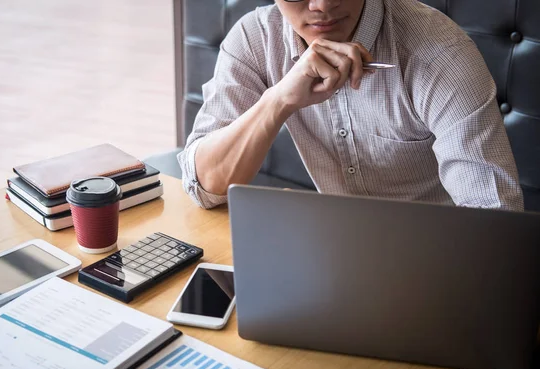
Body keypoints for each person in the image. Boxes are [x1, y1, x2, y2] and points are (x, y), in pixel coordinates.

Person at [177, 0, 524, 211]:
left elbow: (492, 213)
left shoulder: (439, 53)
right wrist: (278, 100)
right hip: (336, 251)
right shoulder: (254, 39)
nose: (323, 5)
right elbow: (205, 186)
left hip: (438, 258)